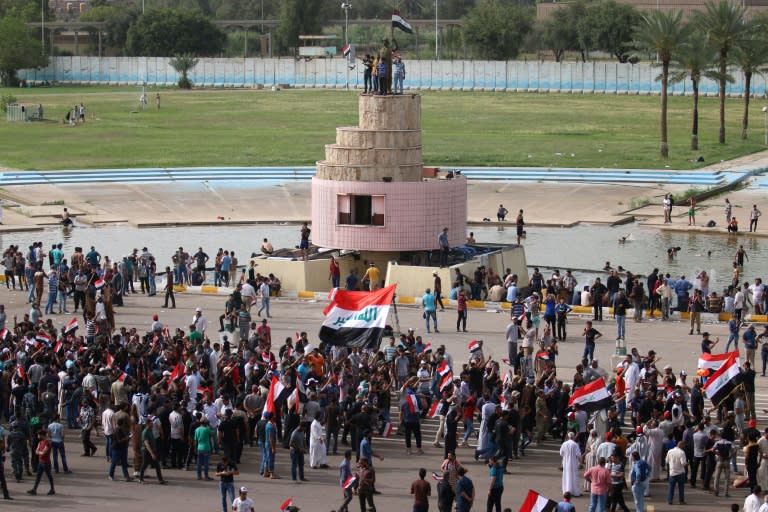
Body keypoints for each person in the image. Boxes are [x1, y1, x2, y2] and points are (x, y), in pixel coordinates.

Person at [27, 430, 54, 496]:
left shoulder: (47, 443)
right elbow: (38, 452)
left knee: (49, 476)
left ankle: (52, 489)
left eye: (38, 435)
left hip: (46, 463)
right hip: (41, 462)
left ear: (42, 435)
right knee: (38, 476)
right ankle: (34, 489)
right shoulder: (40, 442)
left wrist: (39, 452)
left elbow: (43, 452)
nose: (37, 436)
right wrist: (40, 452)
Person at [560, 432, 582, 497]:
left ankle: (567, 491)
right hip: (573, 463)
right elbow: (578, 454)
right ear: (573, 436)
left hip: (566, 462)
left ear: (568, 436)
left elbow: (561, 453)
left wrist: (566, 456)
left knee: (566, 476)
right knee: (574, 476)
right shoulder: (575, 444)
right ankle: (575, 491)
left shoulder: (564, 444)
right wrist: (580, 463)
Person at [665, 441, 687, 505]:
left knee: (671, 488)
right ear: (681, 445)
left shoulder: (670, 451)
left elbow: (666, 461)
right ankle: (681, 501)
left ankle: (670, 501)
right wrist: (686, 464)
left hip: (672, 472)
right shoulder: (682, 452)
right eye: (683, 446)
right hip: (680, 473)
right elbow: (683, 463)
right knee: (681, 488)